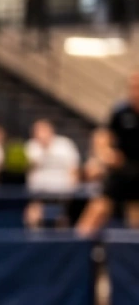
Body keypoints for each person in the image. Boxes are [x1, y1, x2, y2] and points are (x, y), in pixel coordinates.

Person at [78, 70, 139, 234]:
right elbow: (102, 136)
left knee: (135, 221)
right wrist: (103, 156)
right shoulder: (121, 112)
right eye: (133, 87)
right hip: (121, 171)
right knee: (96, 211)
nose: (135, 91)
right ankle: (75, 246)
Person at [22, 119, 81, 229]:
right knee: (33, 212)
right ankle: (33, 235)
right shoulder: (30, 146)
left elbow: (74, 168)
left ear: (51, 131)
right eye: (38, 131)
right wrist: (43, 149)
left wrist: (73, 187)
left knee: (63, 215)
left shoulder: (65, 144)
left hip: (63, 191)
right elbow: (26, 168)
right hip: (38, 192)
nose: (41, 134)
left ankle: (62, 235)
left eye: (44, 130)